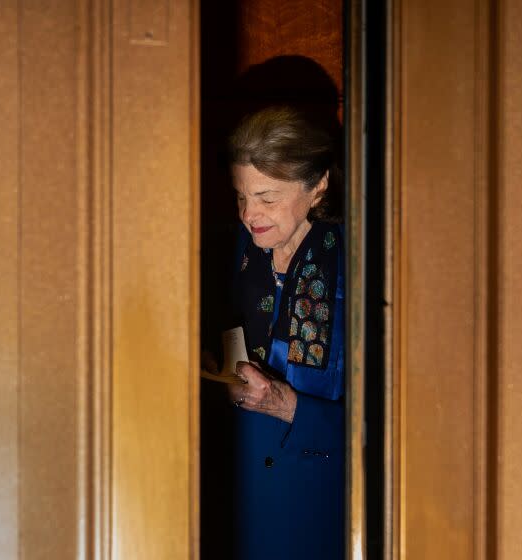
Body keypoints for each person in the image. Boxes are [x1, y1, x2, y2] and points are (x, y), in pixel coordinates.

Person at [223, 105, 345, 560]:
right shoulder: (235, 252)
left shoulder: (364, 267)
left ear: (318, 186)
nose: (249, 214)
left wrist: (290, 407)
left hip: (319, 506)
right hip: (236, 497)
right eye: (241, 196)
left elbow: (403, 421)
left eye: (267, 197)